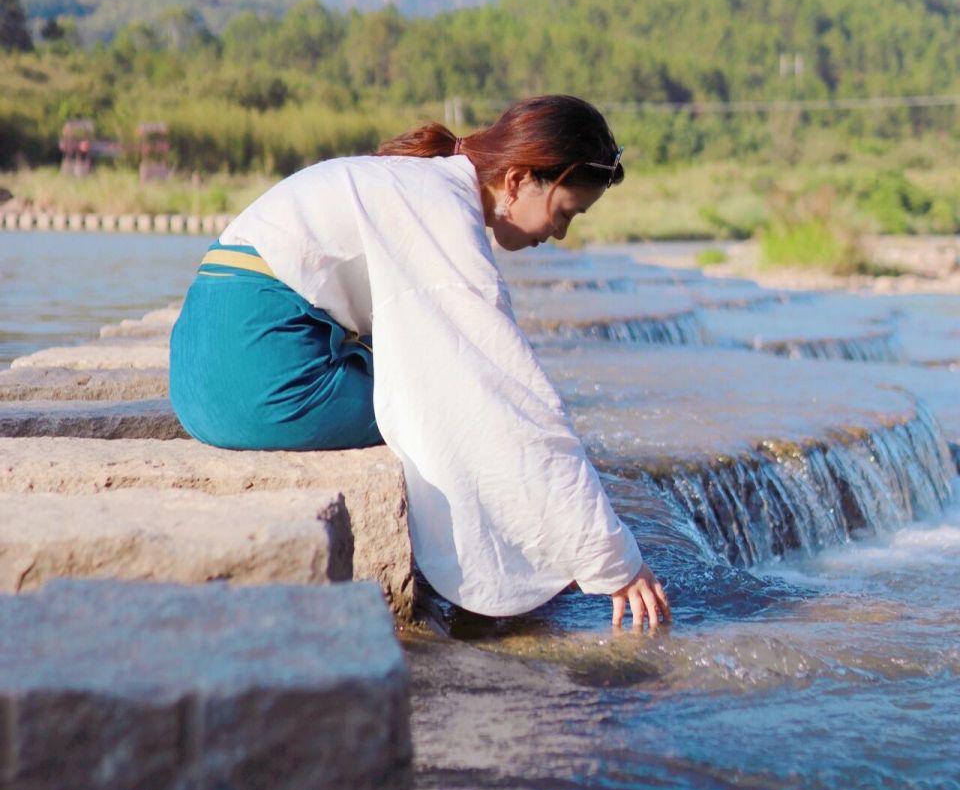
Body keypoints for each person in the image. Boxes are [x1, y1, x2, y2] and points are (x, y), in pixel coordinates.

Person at [170, 94, 670, 629]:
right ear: (520, 179)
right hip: (257, 377)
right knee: (459, 411)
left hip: (203, 370)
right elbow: (508, 399)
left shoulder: (427, 184)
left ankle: (532, 552)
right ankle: (527, 563)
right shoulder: (440, 207)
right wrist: (609, 556)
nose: (560, 234)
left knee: (452, 396)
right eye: (565, 212)